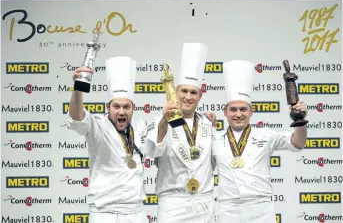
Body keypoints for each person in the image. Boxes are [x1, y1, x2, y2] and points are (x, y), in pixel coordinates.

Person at [212, 60, 308, 223]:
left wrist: (301, 121)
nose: (238, 114)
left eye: (243, 109)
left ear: (251, 111)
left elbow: (297, 142)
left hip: (261, 210)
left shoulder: (266, 135)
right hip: (228, 210)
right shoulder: (214, 139)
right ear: (225, 112)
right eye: (233, 109)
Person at [65, 56, 150, 223]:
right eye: (116, 106)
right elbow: (76, 117)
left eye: (126, 107)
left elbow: (166, 127)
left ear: (133, 108)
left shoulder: (140, 127)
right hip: (105, 214)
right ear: (107, 107)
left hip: (136, 213)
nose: (121, 112)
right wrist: (78, 88)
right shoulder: (97, 126)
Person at [146, 43, 217, 223]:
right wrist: (165, 119)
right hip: (173, 204)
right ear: (176, 92)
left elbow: (216, 161)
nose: (188, 97)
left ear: (200, 96)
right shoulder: (159, 122)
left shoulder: (208, 124)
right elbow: (153, 152)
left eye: (193, 92)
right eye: (184, 91)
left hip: (204, 203)